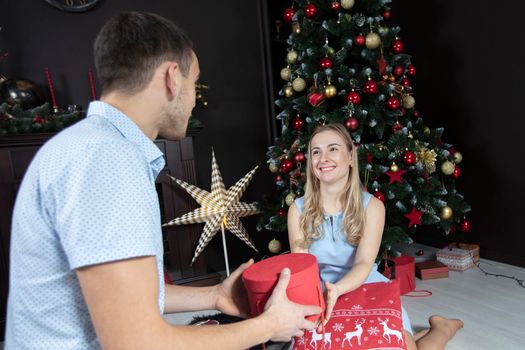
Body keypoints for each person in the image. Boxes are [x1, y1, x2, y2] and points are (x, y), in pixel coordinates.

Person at [5, 11, 320, 350]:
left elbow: (122, 293)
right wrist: (269, 325)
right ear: (173, 77)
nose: (194, 98)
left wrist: (213, 296)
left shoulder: (87, 145)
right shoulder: (108, 160)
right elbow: (137, 342)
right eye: (194, 83)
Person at [287, 123, 464, 350]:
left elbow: (363, 264)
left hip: (367, 288)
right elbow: (303, 270)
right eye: (316, 151)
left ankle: (442, 329)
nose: (323, 158)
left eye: (333, 149)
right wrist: (318, 301)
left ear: (351, 157)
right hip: (320, 296)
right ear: (311, 163)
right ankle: (437, 329)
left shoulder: (372, 206)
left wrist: (338, 290)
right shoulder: (298, 210)